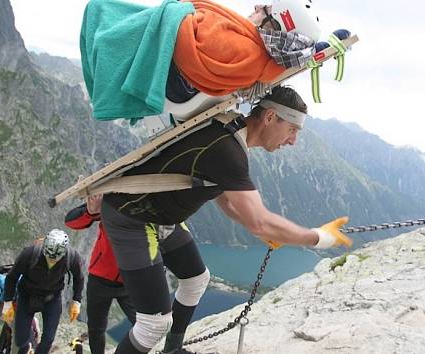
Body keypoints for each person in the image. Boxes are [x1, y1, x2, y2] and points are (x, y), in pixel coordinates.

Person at [100, 86, 352, 354]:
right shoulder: (227, 150)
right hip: (132, 215)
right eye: (292, 130)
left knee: (196, 279)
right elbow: (261, 221)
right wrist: (319, 238)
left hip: (161, 215)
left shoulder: (230, 129)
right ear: (269, 117)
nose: (292, 141)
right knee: (153, 324)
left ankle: (171, 350)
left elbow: (227, 202)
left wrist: (259, 231)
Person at [65, 194, 137, 354]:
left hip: (129, 278)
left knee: (144, 324)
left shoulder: (145, 206)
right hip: (101, 278)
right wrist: (91, 212)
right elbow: (70, 221)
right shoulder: (112, 202)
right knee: (96, 328)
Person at [2, 229, 84, 354]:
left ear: (63, 253)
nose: (51, 261)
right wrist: (7, 303)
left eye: (55, 259)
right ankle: (28, 348)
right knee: (20, 341)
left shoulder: (71, 257)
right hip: (27, 296)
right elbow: (12, 277)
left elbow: (79, 278)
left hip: (52, 298)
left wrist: (76, 301)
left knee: (48, 339)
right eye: (48, 256)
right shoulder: (30, 253)